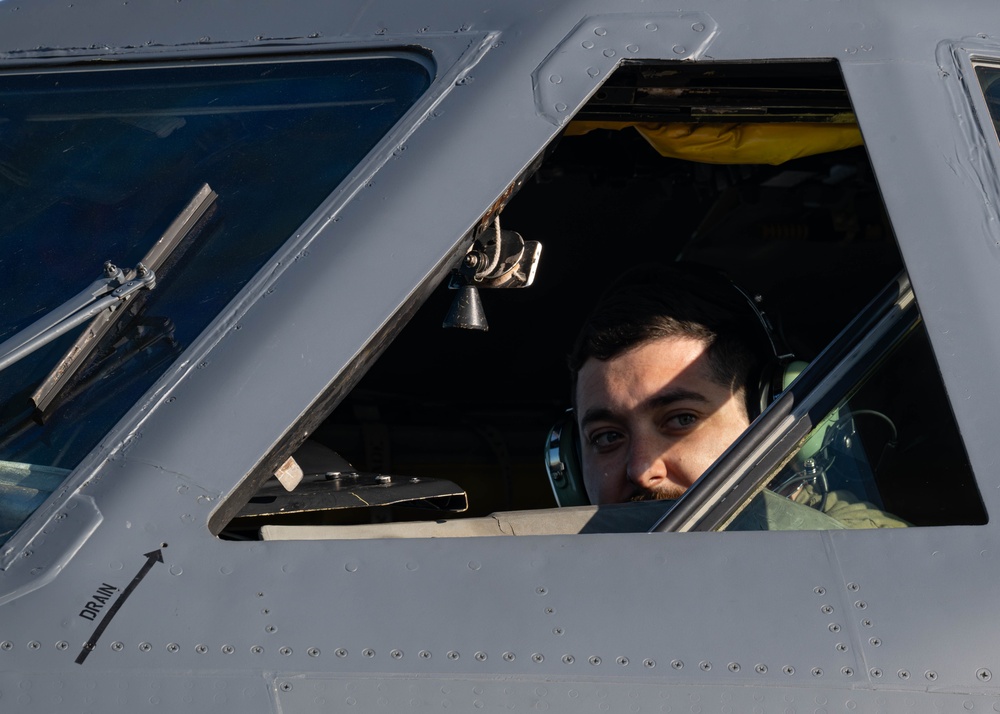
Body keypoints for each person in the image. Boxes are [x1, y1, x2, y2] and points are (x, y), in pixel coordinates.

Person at [567, 264, 907, 529]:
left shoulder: (870, 557)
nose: (642, 470)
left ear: (768, 415)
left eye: (681, 419)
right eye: (608, 437)